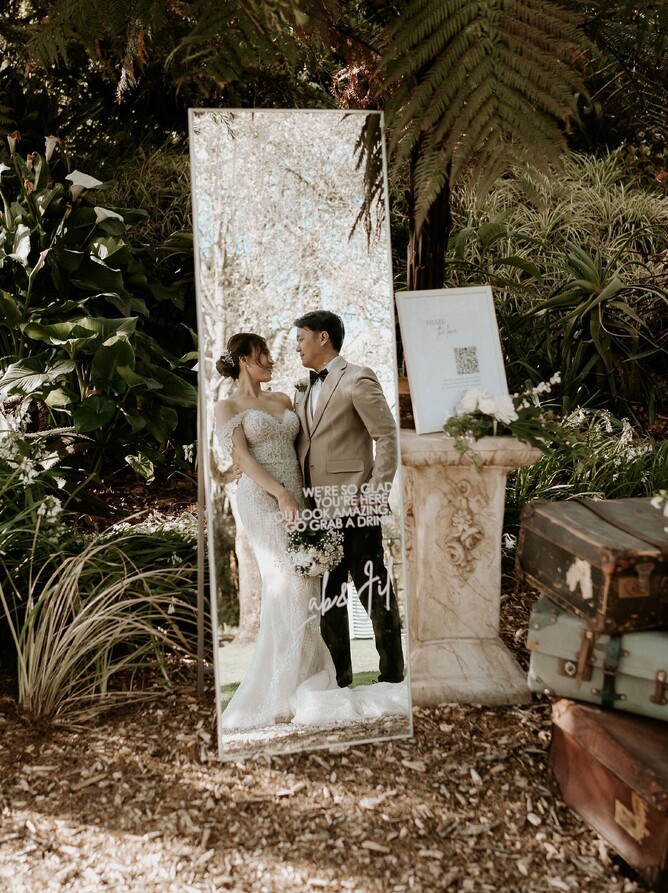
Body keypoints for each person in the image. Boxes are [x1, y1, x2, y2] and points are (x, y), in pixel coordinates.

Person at [214, 332, 407, 731]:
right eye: (263, 353)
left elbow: (313, 446)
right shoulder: (227, 407)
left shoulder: (285, 400)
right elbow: (242, 457)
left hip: (301, 502)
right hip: (265, 501)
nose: (271, 358)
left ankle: (310, 678)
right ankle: (281, 687)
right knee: (289, 582)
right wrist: (279, 492)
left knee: (310, 587)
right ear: (245, 360)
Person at [293, 310, 405, 688]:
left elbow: (388, 437)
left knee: (373, 590)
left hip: (356, 505)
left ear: (323, 338)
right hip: (315, 510)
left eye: (302, 338)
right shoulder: (302, 389)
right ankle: (338, 681)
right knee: (328, 599)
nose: (298, 346)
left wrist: (374, 496)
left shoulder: (357, 378)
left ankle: (392, 676)